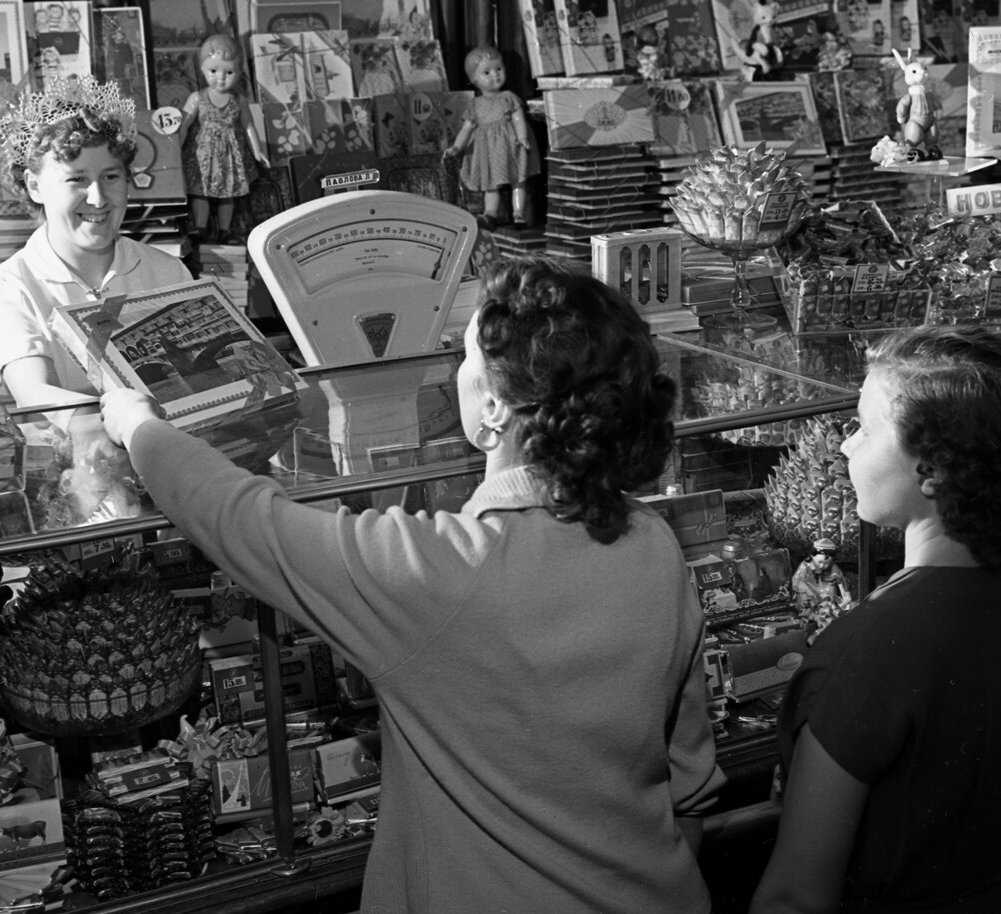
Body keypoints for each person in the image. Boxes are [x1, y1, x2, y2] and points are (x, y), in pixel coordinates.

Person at [100, 257, 724, 913]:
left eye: (461, 355)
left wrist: (139, 425)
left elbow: (241, 519)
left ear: (492, 408)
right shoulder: (653, 544)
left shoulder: (437, 572)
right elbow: (689, 785)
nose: (453, 369)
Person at [751, 325, 1001, 914]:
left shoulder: (869, 650)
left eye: (863, 426)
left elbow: (797, 897)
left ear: (930, 469)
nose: (845, 445)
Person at [0, 76, 193, 521]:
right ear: (35, 186)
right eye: (76, 179)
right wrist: (114, 418)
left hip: (172, 488)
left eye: (111, 176)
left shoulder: (166, 271)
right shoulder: (7, 285)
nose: (98, 197)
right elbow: (32, 389)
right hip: (67, 501)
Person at [180, 34, 269, 243]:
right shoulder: (197, 99)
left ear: (239, 73)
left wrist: (257, 150)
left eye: (229, 72)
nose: (220, 78)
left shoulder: (239, 100)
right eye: (213, 71)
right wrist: (177, 147)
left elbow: (248, 125)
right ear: (202, 69)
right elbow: (183, 125)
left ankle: (224, 229)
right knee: (200, 192)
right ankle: (201, 226)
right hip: (201, 157)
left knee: (227, 193)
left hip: (229, 157)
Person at [443, 46, 540, 230]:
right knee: (491, 184)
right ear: (474, 79)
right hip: (488, 152)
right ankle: (490, 214)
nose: (495, 75)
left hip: (512, 147)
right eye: (486, 72)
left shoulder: (508, 97)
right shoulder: (475, 104)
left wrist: (522, 137)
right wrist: (456, 147)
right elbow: (467, 128)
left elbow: (518, 118)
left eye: (499, 69)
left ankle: (519, 213)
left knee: (518, 180)